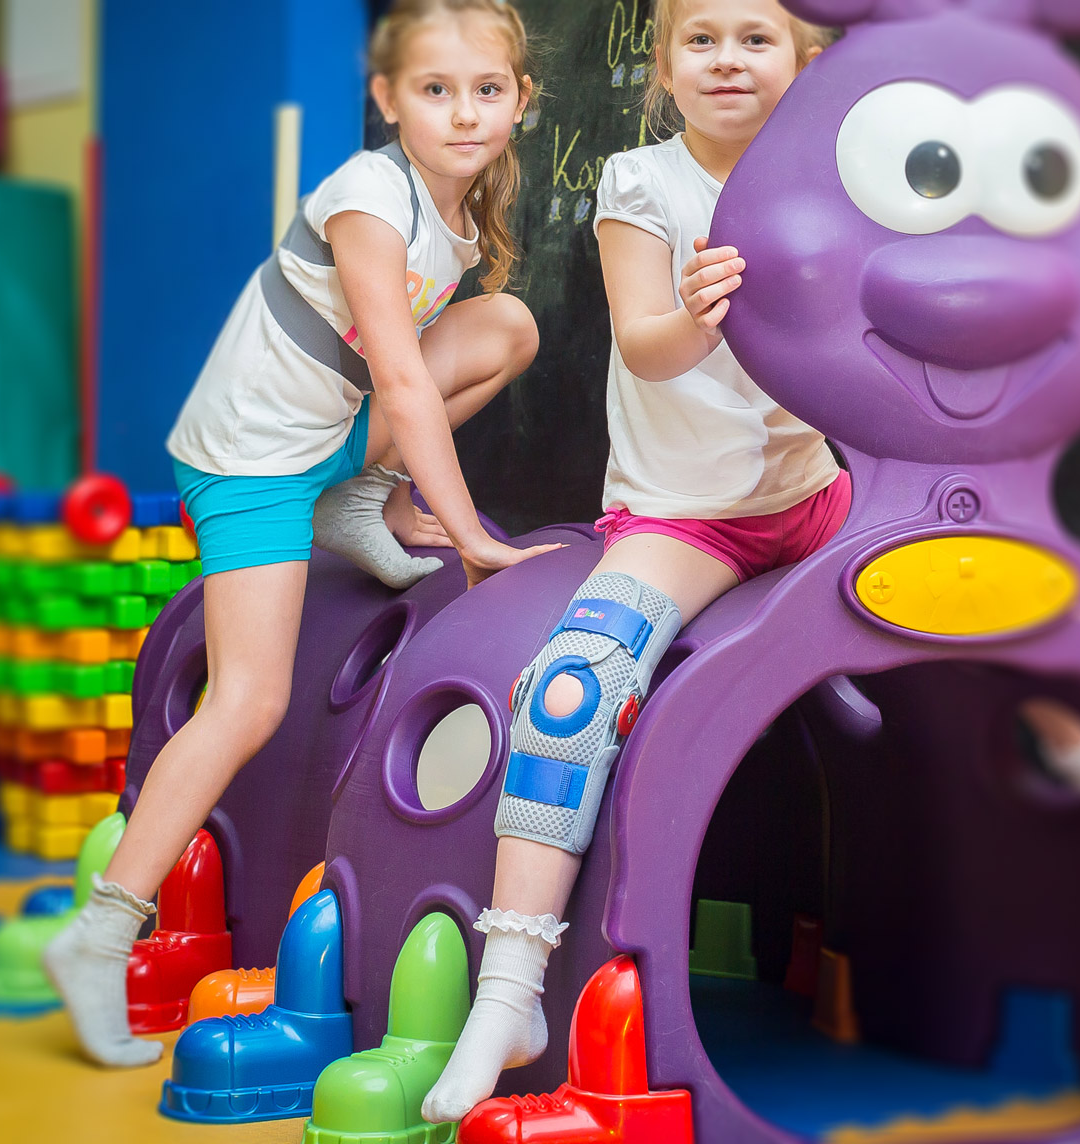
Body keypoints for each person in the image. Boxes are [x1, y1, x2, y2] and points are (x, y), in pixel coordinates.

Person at [44, 0, 557, 1068]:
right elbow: (402, 381)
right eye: (435, 91)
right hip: (253, 459)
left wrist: (389, 487)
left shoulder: (455, 208)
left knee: (507, 325)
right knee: (249, 700)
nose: (464, 114)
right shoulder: (369, 196)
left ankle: (356, 499)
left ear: (521, 100)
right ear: (387, 99)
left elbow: (413, 361)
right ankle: (98, 933)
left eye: (486, 91)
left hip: (326, 439)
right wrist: (467, 534)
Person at [421, 0, 844, 1119]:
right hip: (687, 518)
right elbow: (648, 345)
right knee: (573, 687)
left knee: (979, 576)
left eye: (754, 38)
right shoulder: (641, 182)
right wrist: (701, 315)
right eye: (699, 39)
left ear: (803, 59)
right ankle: (509, 990)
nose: (726, 60)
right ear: (661, 64)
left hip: (817, 493)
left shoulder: (838, 176)